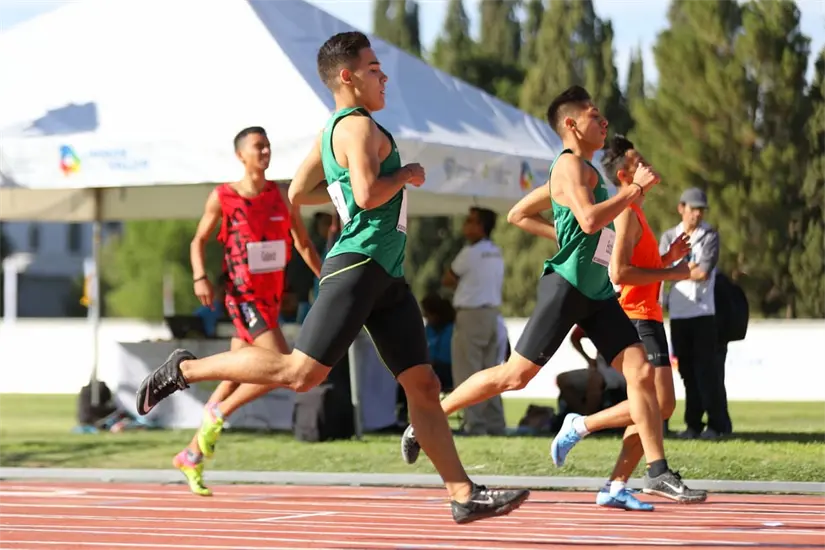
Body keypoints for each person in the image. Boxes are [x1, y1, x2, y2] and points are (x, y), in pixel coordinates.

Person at [137, 31, 528, 524]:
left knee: (424, 386)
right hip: (360, 265)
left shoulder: (333, 131)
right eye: (373, 68)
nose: (383, 76)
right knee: (301, 374)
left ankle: (462, 493)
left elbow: (299, 191)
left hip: (386, 274)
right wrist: (403, 174)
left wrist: (344, 187)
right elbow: (365, 197)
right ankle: (185, 370)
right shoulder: (358, 127)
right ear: (347, 76)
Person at [400, 85, 702, 501]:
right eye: (596, 116)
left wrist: (566, 232)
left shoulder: (586, 173)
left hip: (596, 292)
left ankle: (656, 470)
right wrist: (632, 193)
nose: (604, 122)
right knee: (515, 376)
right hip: (567, 288)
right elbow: (591, 221)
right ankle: (429, 417)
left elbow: (518, 214)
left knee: (641, 373)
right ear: (572, 125)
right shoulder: (569, 168)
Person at [553, 134, 704, 511]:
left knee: (659, 407)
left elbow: (638, 266)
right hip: (635, 317)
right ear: (624, 174)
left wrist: (668, 258)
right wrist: (673, 274)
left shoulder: (636, 213)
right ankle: (581, 427)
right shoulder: (623, 212)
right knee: (657, 404)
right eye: (640, 162)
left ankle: (616, 483)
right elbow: (619, 272)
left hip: (649, 316)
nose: (648, 165)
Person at [172, 126, 323, 497]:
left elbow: (302, 242)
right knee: (284, 366)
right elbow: (198, 241)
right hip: (242, 296)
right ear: (241, 155)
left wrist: (328, 279)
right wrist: (199, 278)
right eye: (259, 146)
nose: (266, 151)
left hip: (270, 300)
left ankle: (191, 453)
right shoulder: (223, 196)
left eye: (268, 145)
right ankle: (218, 414)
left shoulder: (281, 196)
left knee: (238, 374)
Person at [660, 189, 731, 440]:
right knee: (687, 372)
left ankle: (716, 424)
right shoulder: (669, 235)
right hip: (679, 314)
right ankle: (693, 425)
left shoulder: (709, 235)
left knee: (707, 371)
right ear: (681, 208)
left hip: (703, 314)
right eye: (693, 209)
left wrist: (677, 270)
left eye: (701, 210)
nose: (697, 214)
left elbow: (703, 272)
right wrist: (681, 270)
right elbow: (659, 269)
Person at [442, 207, 506, 436]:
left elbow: (448, 278)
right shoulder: (496, 252)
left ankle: (475, 425)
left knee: (467, 373)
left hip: (471, 315)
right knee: (492, 374)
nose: (465, 226)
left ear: (480, 226)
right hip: (492, 315)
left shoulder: (469, 253)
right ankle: (495, 424)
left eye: (470, 221)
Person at [556, 325, 626, 417]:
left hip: (624, 365)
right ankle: (582, 419)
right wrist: (588, 359)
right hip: (602, 365)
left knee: (595, 379)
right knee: (563, 379)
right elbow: (575, 337)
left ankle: (589, 421)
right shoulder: (601, 315)